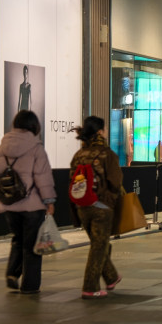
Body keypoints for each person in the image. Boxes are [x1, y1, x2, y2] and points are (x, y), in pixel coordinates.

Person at [0, 110, 55, 295]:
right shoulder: (36, 147)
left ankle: (12, 273)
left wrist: (11, 186)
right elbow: (43, 177)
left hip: (9, 203)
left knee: (18, 240)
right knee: (32, 245)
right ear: (34, 126)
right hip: (32, 204)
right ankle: (30, 285)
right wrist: (49, 200)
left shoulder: (2, 147)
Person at [69, 116, 123, 299]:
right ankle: (90, 288)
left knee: (98, 244)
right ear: (100, 132)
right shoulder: (106, 153)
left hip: (82, 206)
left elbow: (71, 180)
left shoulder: (79, 155)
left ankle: (111, 277)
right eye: (105, 129)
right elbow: (116, 181)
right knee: (99, 247)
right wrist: (111, 199)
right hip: (101, 207)